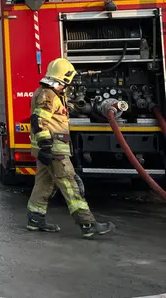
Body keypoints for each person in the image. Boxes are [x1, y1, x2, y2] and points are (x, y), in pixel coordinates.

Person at [26, 58, 115, 238]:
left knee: (44, 183)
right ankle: (87, 224)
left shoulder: (48, 93)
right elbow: (39, 121)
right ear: (63, 78)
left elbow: (55, 114)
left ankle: (35, 219)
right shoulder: (49, 95)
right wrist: (46, 146)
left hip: (48, 150)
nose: (68, 85)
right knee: (70, 184)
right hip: (54, 150)